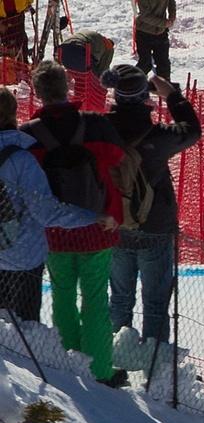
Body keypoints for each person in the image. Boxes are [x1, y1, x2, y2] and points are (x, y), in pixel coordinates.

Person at [20, 60, 127, 387]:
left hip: (54, 231)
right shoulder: (95, 125)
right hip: (98, 226)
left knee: (62, 294)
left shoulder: (28, 136)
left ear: (37, 93)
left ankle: (68, 360)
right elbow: (118, 158)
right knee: (95, 299)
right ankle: (101, 370)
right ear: (68, 86)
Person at [103, 64, 200, 346]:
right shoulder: (157, 136)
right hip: (156, 227)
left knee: (119, 299)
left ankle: (113, 360)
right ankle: (154, 368)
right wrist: (171, 95)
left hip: (117, 224)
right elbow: (192, 130)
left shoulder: (101, 129)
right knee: (156, 304)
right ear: (145, 97)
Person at [0, 86, 116, 323]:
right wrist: (92, 216)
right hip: (22, 258)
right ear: (13, 114)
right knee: (25, 336)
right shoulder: (22, 159)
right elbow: (46, 211)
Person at [133, 0, 175, 80]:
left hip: (161, 33)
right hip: (144, 33)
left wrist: (172, 18)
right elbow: (143, 15)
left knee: (163, 65)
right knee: (145, 64)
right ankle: (129, 86)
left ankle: (165, 89)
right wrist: (164, 23)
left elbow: (171, 2)